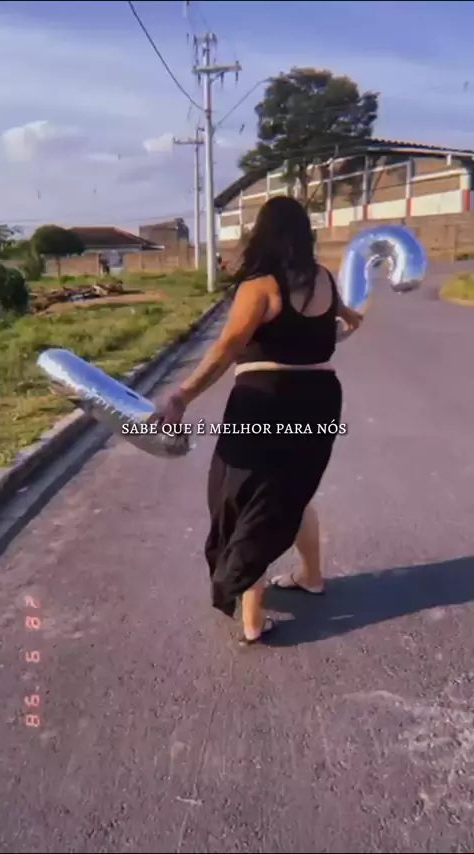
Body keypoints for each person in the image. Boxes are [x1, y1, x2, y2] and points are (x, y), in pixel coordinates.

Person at [154, 196, 362, 645]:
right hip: (321, 398)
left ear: (262, 235)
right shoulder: (324, 279)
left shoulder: (261, 286)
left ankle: (251, 616)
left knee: (246, 495)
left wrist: (182, 396)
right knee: (292, 491)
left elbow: (228, 346)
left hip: (266, 400)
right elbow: (347, 316)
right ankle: (311, 576)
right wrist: (333, 327)